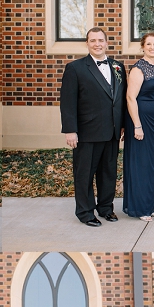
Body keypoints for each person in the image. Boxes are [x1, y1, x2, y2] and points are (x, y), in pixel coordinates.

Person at [59, 28, 128, 226]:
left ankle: (106, 208)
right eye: (92, 41)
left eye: (100, 40)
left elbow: (120, 98)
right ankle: (85, 212)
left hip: (113, 131)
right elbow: (68, 102)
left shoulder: (118, 66)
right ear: (87, 44)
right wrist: (70, 130)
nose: (97, 44)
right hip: (87, 132)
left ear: (107, 43)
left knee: (108, 173)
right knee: (84, 174)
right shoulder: (75, 68)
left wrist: (122, 125)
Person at [122, 32, 154, 220]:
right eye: (148, 44)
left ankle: (151, 205)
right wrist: (137, 125)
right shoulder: (138, 69)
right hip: (141, 122)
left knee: (153, 165)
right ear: (143, 47)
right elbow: (130, 98)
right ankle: (140, 208)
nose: (152, 47)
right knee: (140, 164)